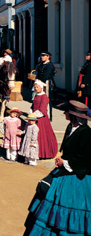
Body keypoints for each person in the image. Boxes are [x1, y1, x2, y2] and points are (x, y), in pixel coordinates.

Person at [24, 100, 91, 235]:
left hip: (77, 176)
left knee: (70, 205)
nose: (64, 113)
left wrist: (65, 163)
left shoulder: (86, 133)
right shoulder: (70, 127)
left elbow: (85, 158)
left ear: (74, 115)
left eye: (67, 111)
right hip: (63, 170)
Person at [30, 80, 58, 159]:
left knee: (41, 136)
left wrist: (34, 115)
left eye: (37, 87)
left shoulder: (44, 97)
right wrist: (31, 112)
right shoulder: (36, 95)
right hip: (34, 117)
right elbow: (33, 106)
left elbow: (42, 109)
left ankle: (41, 153)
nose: (36, 89)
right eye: (35, 87)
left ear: (41, 88)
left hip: (41, 119)